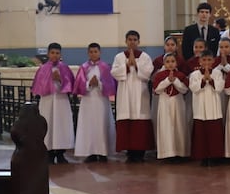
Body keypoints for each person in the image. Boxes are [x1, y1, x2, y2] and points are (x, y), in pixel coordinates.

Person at [111, 30, 155, 163]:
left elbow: (148, 73)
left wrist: (135, 65)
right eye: (130, 39)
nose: (132, 42)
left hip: (140, 93)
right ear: (126, 41)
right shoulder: (119, 57)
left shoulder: (145, 57)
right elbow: (114, 72)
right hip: (125, 93)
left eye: (135, 39)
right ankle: (129, 152)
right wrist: (126, 65)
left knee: (139, 121)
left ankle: (140, 153)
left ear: (139, 41)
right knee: (126, 120)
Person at [32, 42, 75, 164]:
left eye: (57, 53)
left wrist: (60, 80)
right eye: (52, 53)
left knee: (61, 126)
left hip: (61, 101)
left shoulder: (65, 68)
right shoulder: (43, 69)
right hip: (47, 101)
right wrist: (50, 80)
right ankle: (49, 154)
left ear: (60, 54)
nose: (55, 55)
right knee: (48, 125)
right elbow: (38, 87)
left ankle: (61, 154)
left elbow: (71, 85)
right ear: (48, 53)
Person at [73, 43, 117, 163]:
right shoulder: (84, 67)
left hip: (101, 100)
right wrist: (89, 84)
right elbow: (78, 84)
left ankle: (103, 152)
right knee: (89, 126)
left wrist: (100, 84)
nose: (93, 54)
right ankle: (90, 152)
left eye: (95, 51)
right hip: (88, 100)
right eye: (91, 52)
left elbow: (110, 84)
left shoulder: (105, 67)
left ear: (100, 52)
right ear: (88, 53)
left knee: (102, 125)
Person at [189, 50, 225, 166]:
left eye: (209, 60)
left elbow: (219, 88)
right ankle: (203, 157)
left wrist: (211, 80)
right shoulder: (194, 74)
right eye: (204, 60)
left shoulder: (217, 73)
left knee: (214, 133)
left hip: (213, 107)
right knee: (201, 134)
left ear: (214, 61)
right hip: (200, 107)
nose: (206, 62)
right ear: (199, 61)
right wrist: (203, 80)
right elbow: (193, 88)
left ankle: (215, 157)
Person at [152, 53, 190, 162]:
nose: (170, 64)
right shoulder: (159, 75)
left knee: (178, 126)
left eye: (172, 61)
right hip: (165, 102)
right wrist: (168, 81)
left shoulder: (181, 75)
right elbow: (157, 90)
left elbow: (184, 90)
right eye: (167, 62)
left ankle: (179, 152)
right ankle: (167, 153)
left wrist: (175, 81)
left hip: (177, 102)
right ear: (164, 63)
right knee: (166, 126)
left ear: (176, 63)